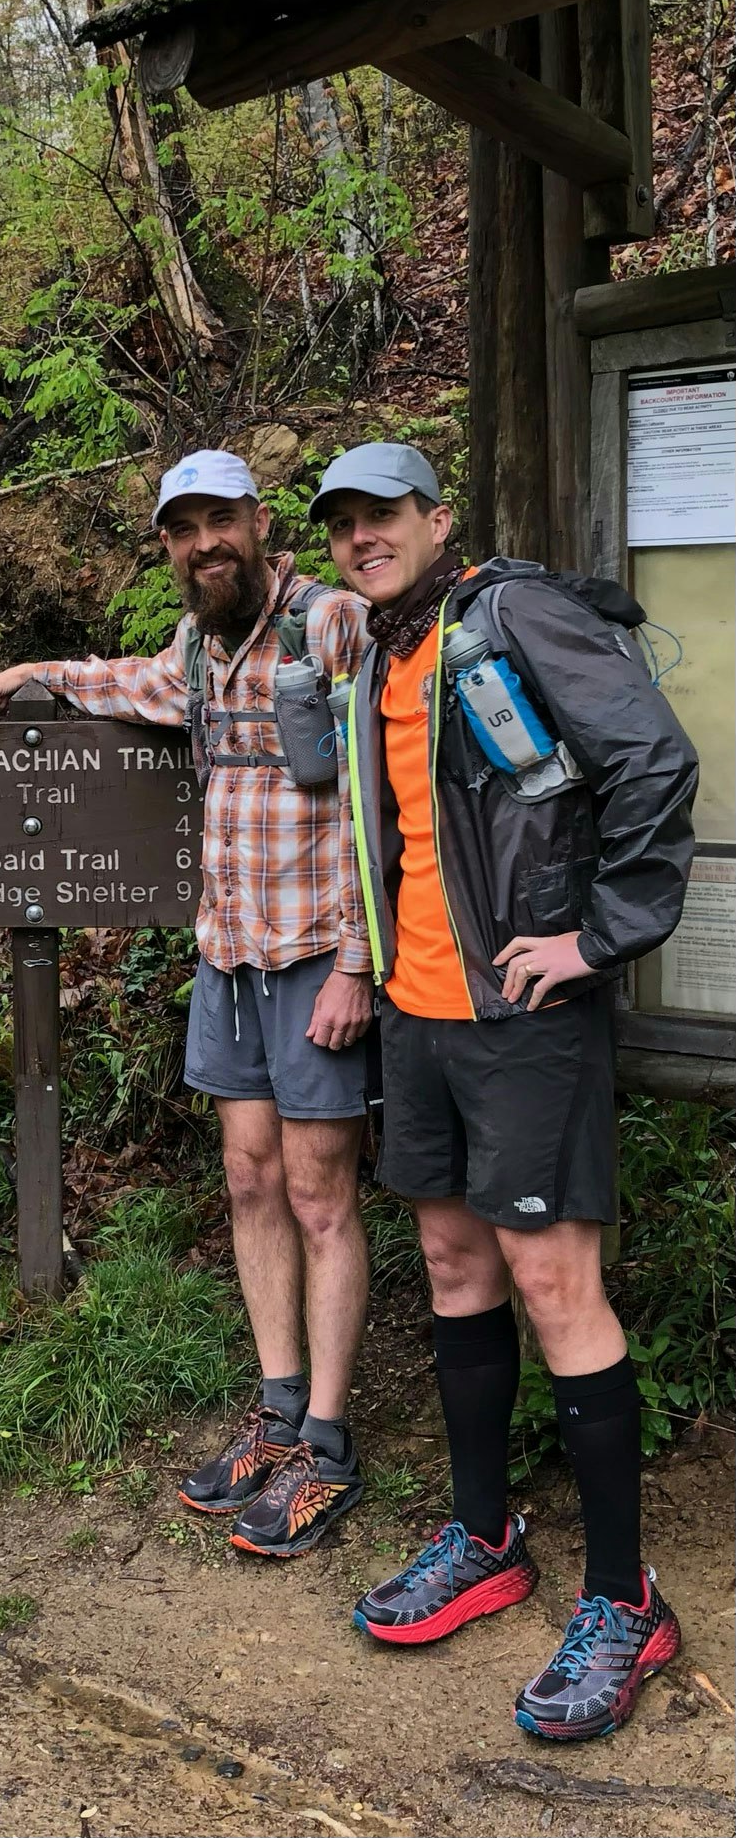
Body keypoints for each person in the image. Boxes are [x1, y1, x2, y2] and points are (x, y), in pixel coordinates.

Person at [313, 441, 697, 1740]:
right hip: (420, 1016)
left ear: (435, 518)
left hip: (524, 1016)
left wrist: (600, 937)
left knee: (552, 1285)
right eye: (341, 526)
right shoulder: (383, 649)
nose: (362, 538)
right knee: (454, 1266)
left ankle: (622, 1598)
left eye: (381, 517)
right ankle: (484, 1537)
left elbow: (652, 758)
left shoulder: (513, 612)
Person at [0, 450, 374, 1556]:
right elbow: (125, 682)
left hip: (315, 957)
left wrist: (356, 962)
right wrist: (30, 676)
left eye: (221, 520)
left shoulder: (332, 624)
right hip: (227, 956)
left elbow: (391, 786)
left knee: (319, 1190)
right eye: (183, 528)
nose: (206, 543)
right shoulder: (194, 648)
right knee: (248, 1178)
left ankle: (328, 1446)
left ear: (257, 518)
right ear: (166, 545)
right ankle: (278, 1409)